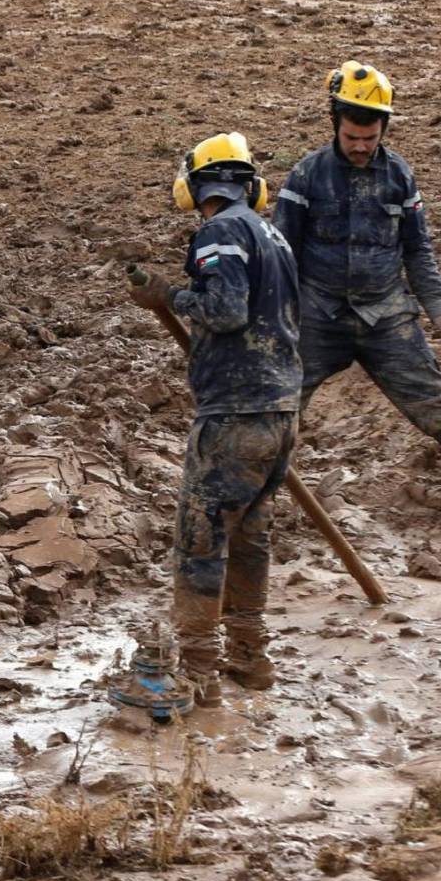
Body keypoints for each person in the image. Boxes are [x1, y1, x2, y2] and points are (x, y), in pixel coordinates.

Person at [116, 133, 302, 718]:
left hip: (233, 414)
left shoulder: (220, 232)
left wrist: (169, 296)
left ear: (195, 186)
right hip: (280, 412)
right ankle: (250, 655)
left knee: (202, 541)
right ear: (251, 183)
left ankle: (197, 674)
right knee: (251, 537)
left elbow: (225, 311)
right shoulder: (273, 235)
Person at [273, 60, 441, 503]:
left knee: (432, 395)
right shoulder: (305, 176)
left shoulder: (400, 176)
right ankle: (264, 492)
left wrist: (437, 306)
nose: (360, 147)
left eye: (370, 139)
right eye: (351, 138)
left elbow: (417, 248)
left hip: (386, 312)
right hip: (317, 312)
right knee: (279, 402)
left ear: (384, 129)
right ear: (334, 124)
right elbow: (282, 251)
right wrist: (273, 314)